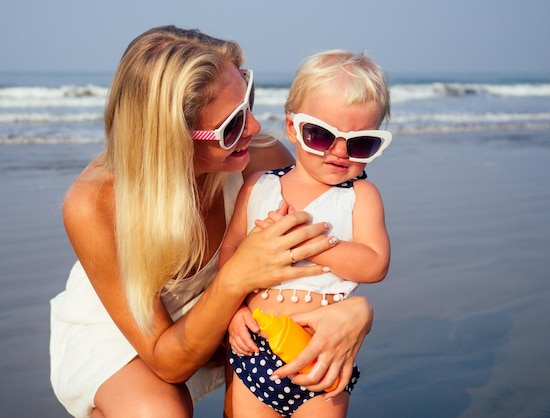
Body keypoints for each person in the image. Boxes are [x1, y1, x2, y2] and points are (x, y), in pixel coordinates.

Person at [49, 26, 374, 418]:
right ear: (171, 139)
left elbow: (316, 262)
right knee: (158, 413)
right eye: (232, 125)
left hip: (234, 317)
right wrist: (237, 275)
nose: (254, 128)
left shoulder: (262, 160)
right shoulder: (94, 203)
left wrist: (358, 313)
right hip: (133, 331)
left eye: (248, 100)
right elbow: (168, 361)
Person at [220, 50, 392, 418]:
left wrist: (310, 242)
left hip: (323, 353)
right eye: (320, 135)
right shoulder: (257, 187)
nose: (339, 152)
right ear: (292, 128)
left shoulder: (360, 196)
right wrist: (232, 312)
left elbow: (375, 264)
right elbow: (231, 252)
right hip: (256, 345)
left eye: (360, 143)